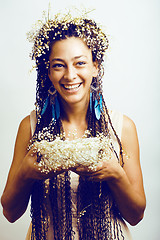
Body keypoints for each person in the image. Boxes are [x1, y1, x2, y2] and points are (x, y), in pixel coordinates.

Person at [1, 8, 146, 240]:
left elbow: (136, 214)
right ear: (48, 72)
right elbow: (9, 212)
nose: (70, 75)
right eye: (59, 65)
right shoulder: (31, 127)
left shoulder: (122, 127)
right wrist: (25, 174)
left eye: (80, 63)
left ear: (95, 66)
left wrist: (115, 174)